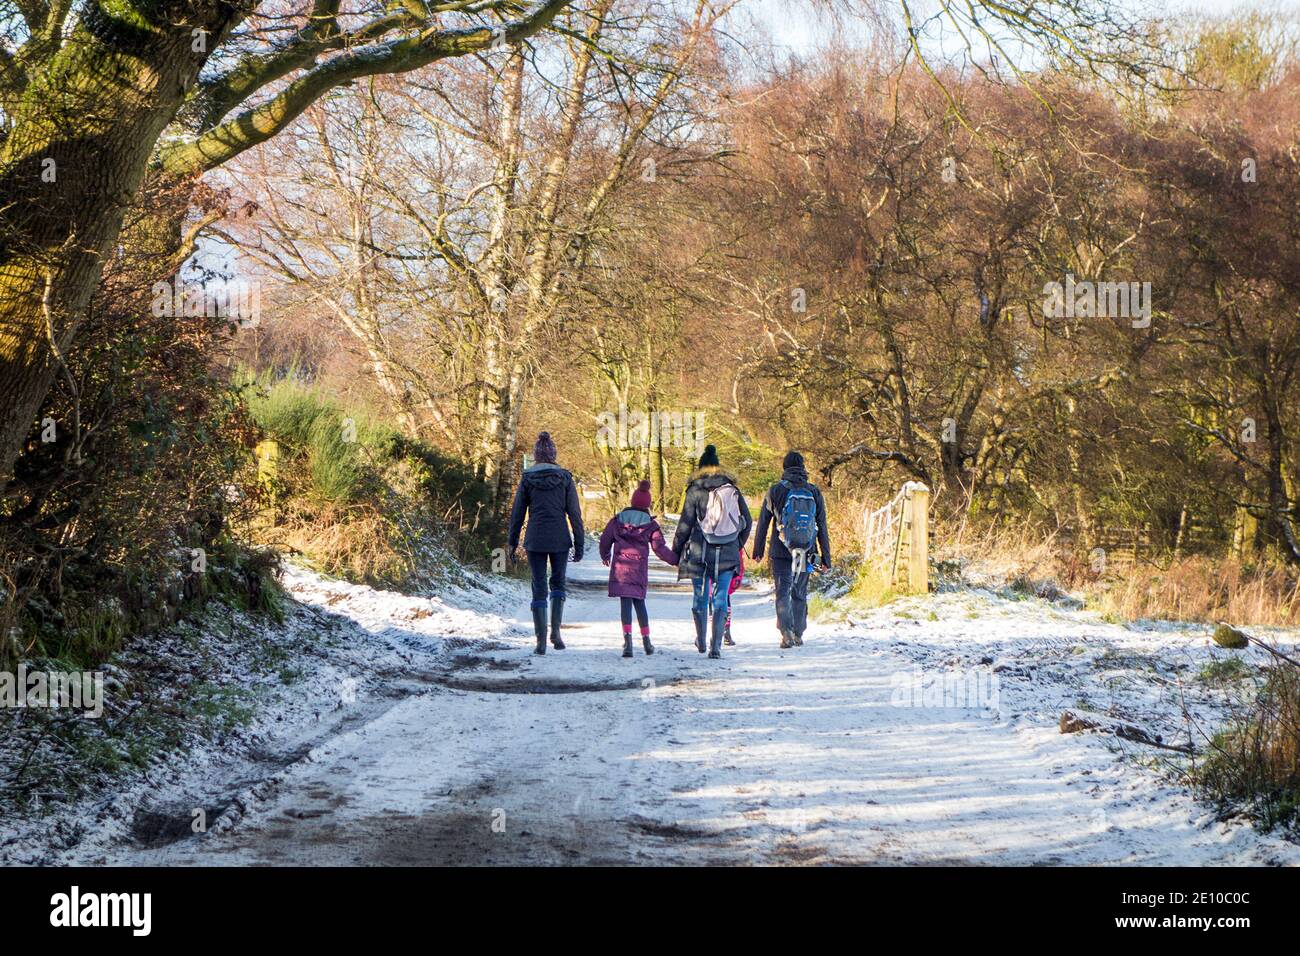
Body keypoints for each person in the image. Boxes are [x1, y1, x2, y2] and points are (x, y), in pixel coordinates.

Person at [672, 444, 752, 659]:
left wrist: (676, 551)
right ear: (718, 467)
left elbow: (685, 525)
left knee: (699, 598)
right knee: (720, 597)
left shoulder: (695, 490)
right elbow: (747, 521)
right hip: (727, 553)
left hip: (699, 553)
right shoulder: (732, 489)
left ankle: (701, 641)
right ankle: (715, 647)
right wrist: (736, 543)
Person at [507, 432, 584, 655]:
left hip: (535, 538)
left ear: (536, 456)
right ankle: (556, 633)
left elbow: (517, 514)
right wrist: (579, 543)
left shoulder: (527, 478)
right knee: (558, 583)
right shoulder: (565, 478)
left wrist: (512, 543)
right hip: (560, 538)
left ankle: (540, 641)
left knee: (538, 585)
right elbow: (575, 514)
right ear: (553, 455)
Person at [752, 451, 831, 649]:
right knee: (800, 590)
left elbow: (762, 523)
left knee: (782, 590)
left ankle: (785, 631)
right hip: (806, 550)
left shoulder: (775, 490)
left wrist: (758, 550)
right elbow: (821, 525)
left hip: (781, 550)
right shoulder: (813, 491)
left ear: (784, 468)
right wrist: (826, 558)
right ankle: (798, 632)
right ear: (803, 467)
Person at [599, 480, 679, 658]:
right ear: (647, 504)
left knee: (625, 604)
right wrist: (675, 560)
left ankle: (627, 643)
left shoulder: (617, 520)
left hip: (621, 569)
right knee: (640, 603)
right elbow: (659, 548)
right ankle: (647, 642)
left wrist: (605, 555)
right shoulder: (651, 525)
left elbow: (605, 540)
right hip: (639, 570)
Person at [723, 549, 745, 646]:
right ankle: (725, 631)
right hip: (730, 552)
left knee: (711, 595)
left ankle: (714, 632)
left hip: (708, 555)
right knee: (724, 595)